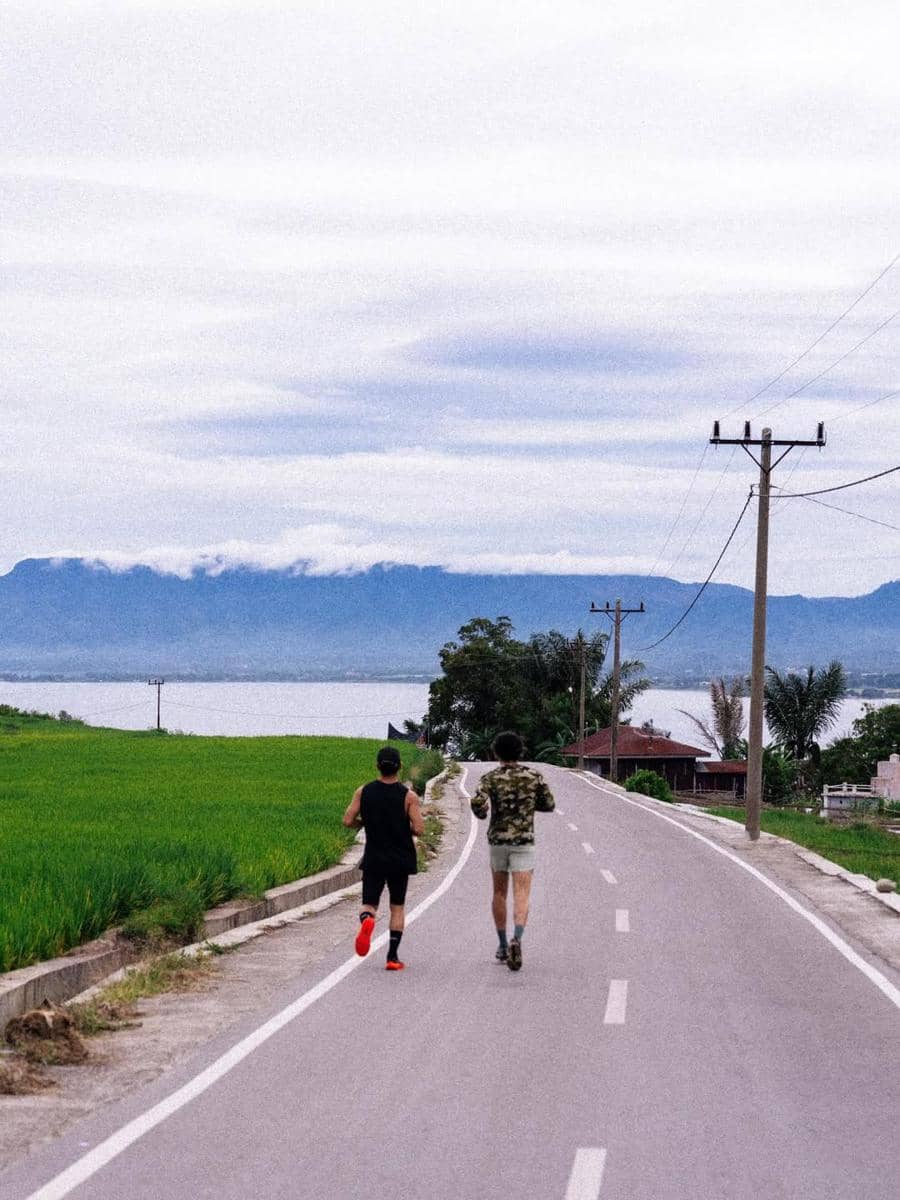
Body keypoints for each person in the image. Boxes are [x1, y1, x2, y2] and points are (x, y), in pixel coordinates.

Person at [470, 731, 555, 971]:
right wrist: (528, 805)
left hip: (498, 841)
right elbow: (549, 804)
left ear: (496, 753)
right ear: (520, 751)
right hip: (524, 841)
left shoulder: (490, 778)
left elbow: (477, 804)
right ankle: (517, 938)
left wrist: (483, 812)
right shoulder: (533, 776)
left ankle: (501, 944)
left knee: (499, 892)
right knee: (522, 894)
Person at [343, 746, 424, 971]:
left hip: (374, 857)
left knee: (369, 904)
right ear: (400, 766)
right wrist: (404, 827)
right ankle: (392, 957)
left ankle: (367, 920)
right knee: (397, 906)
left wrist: (365, 823)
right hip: (400, 859)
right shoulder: (409, 796)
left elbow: (347, 820)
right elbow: (419, 829)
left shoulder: (364, 791)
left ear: (377, 766)